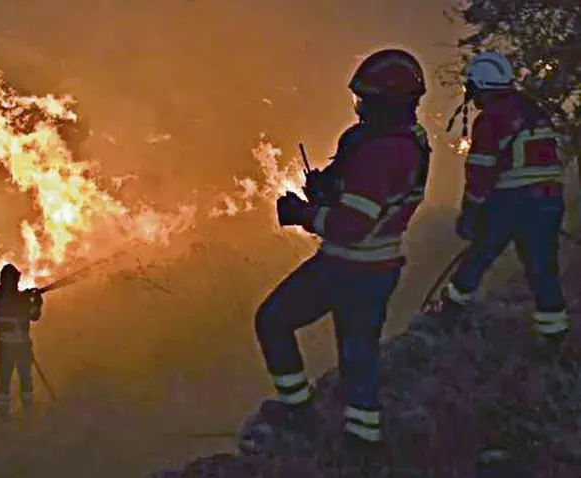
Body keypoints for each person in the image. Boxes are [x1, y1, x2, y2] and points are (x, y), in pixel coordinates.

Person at [239, 49, 431, 468]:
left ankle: (299, 411)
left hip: (348, 266)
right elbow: (363, 196)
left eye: (366, 100)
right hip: (378, 268)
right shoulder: (407, 141)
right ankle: (365, 443)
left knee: (273, 320)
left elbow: (351, 224)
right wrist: (326, 187)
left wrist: (302, 214)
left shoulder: (381, 153)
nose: (360, 108)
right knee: (358, 357)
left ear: (386, 102)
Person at [425, 51, 569, 354]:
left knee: (479, 255)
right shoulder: (532, 110)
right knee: (543, 267)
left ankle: (450, 311)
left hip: (512, 202)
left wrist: (470, 211)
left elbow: (481, 171)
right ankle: (554, 334)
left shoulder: (492, 117)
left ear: (480, 86)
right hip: (549, 200)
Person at [0, 263, 43, 420]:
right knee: (24, 379)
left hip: (5, 346)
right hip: (21, 346)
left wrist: (27, 298)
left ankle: (4, 413)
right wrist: (36, 302)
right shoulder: (20, 300)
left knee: (5, 380)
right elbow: (34, 316)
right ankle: (27, 411)